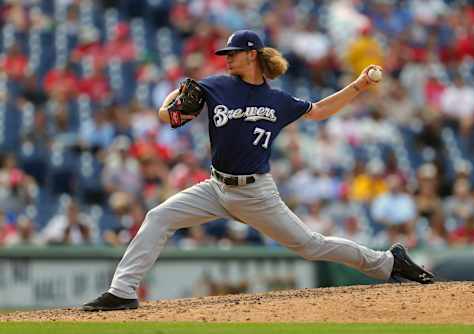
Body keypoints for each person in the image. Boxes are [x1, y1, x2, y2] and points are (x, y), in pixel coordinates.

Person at [82, 30, 434, 311]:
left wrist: (357, 86)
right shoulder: (216, 86)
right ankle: (122, 292)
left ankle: (388, 262)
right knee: (158, 217)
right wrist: (169, 102)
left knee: (311, 245)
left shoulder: (277, 100)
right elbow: (168, 114)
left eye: (232, 53)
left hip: (255, 193)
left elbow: (319, 110)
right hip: (216, 187)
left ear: (252, 54)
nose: (226, 59)